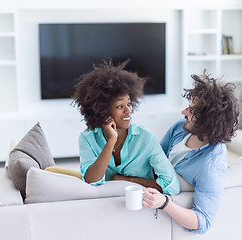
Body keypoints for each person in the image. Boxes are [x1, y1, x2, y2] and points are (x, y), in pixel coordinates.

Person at [142, 70, 240, 234]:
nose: (184, 113)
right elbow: (156, 157)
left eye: (192, 111)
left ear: (209, 120)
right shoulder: (181, 127)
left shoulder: (211, 164)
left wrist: (164, 203)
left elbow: (202, 221)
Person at [72, 59, 180, 195]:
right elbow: (91, 181)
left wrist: (127, 180)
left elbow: (172, 186)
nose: (128, 110)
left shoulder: (145, 137)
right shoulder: (87, 138)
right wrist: (111, 140)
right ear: (102, 110)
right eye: (119, 106)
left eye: (129, 104)